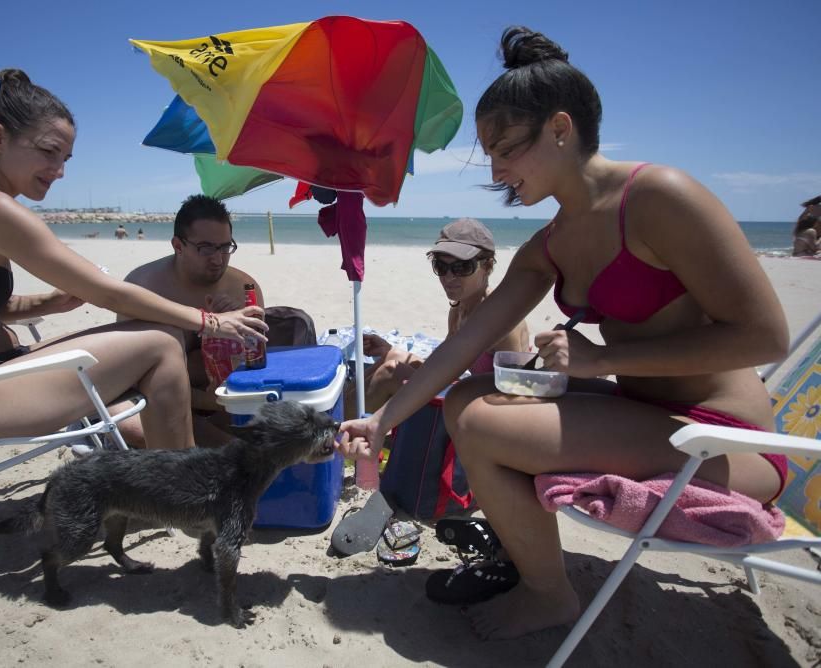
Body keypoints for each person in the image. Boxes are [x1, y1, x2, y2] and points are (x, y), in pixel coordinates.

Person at [335, 27, 789, 641]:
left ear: (559, 128)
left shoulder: (659, 197)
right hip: (649, 416)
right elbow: (464, 346)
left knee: (485, 420)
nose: (495, 170)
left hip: (724, 439)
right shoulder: (553, 242)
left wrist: (603, 360)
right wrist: (383, 420)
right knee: (469, 400)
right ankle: (533, 571)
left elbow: (764, 337)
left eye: (505, 149)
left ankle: (548, 594)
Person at [0, 69, 266, 451]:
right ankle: (185, 491)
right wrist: (212, 322)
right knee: (161, 341)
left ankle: (180, 467)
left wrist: (48, 303)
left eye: (65, 157)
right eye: (48, 152)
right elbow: (110, 294)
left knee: (153, 340)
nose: (59, 171)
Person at [348, 218, 529, 417]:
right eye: (441, 266)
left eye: (462, 267)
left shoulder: (504, 322)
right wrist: (388, 350)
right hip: (464, 390)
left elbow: (514, 398)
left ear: (487, 266)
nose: (449, 277)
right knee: (390, 357)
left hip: (480, 410)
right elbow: (444, 360)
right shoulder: (459, 309)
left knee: (390, 372)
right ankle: (339, 416)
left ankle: (342, 431)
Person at [121, 194, 263, 446]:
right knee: (131, 425)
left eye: (225, 247)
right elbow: (132, 373)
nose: (218, 259)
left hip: (224, 399)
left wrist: (230, 335)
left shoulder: (243, 288)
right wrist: (205, 400)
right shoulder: (144, 286)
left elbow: (255, 361)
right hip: (158, 398)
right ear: (178, 245)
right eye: (206, 248)